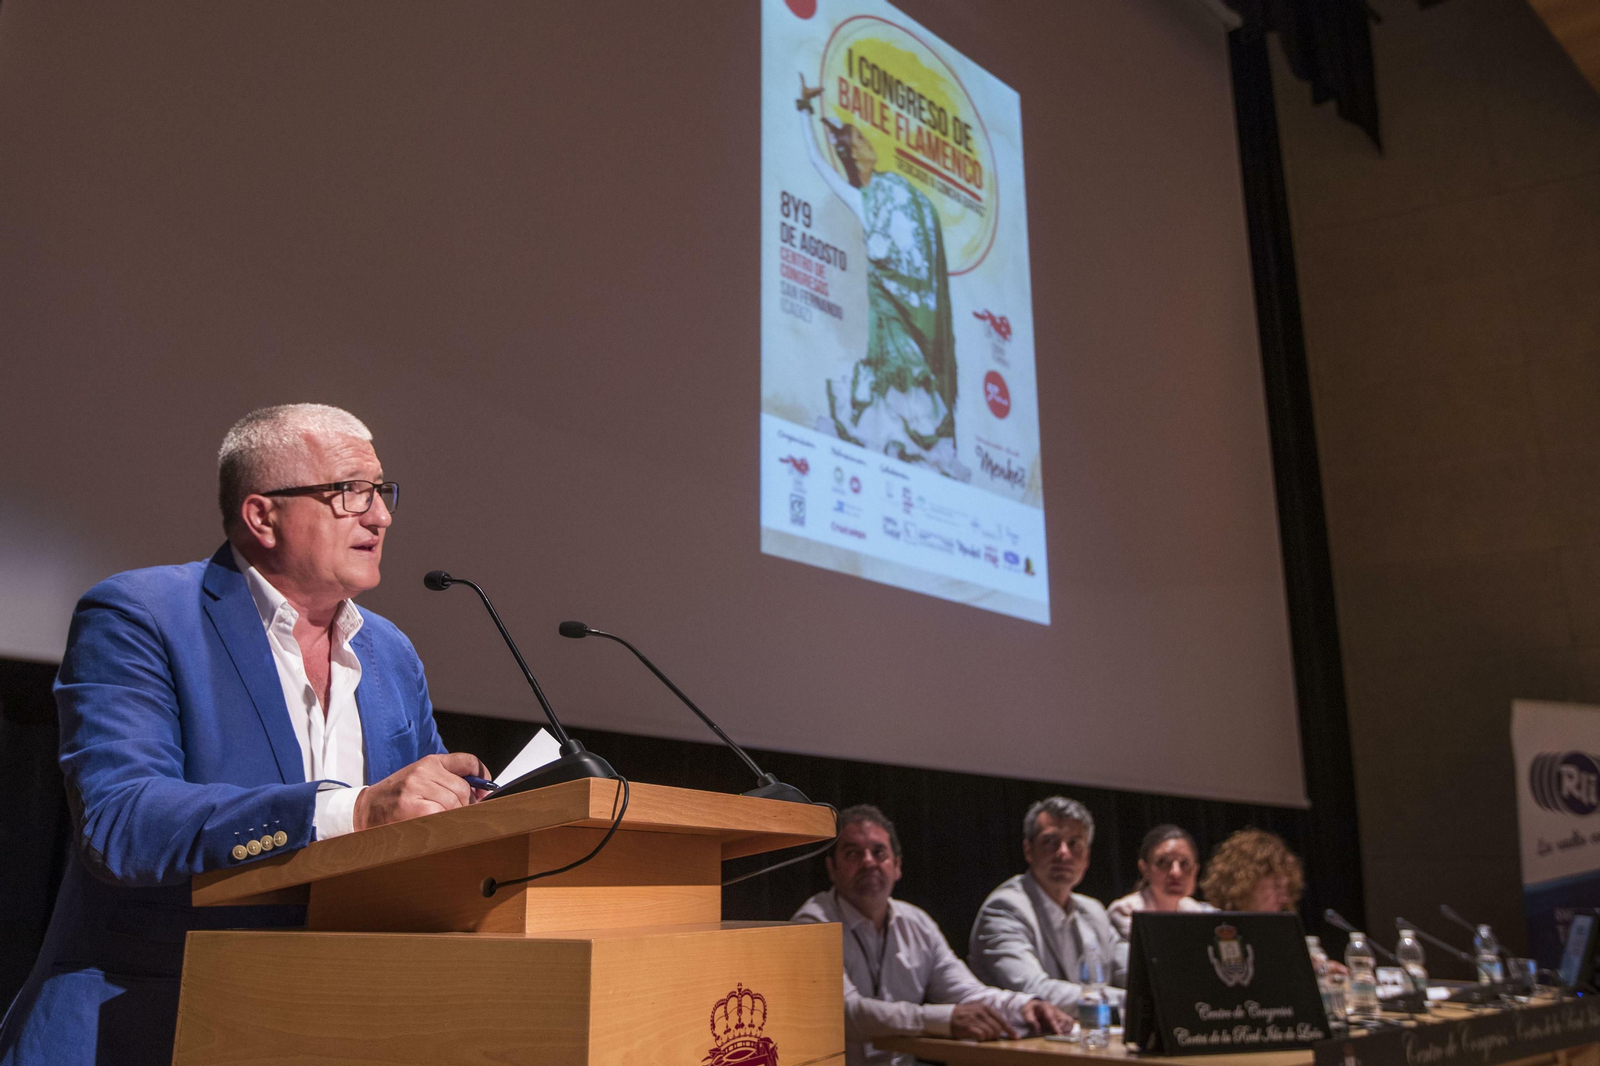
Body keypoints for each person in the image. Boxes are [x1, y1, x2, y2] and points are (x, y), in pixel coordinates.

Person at [0, 404, 492, 1066]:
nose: (380, 516)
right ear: (263, 516)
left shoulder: (391, 652)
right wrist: (352, 808)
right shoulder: (141, 616)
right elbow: (119, 821)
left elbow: (410, 839)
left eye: (381, 492)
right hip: (142, 1024)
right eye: (351, 492)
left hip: (327, 1028)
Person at [792, 805, 1067, 1066]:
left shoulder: (917, 922)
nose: (868, 862)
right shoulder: (813, 922)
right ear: (832, 869)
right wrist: (943, 1019)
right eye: (853, 854)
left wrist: (1026, 1006)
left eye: (879, 852)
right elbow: (846, 1014)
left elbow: (966, 994)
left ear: (897, 866)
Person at [795, 77, 966, 482]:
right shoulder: (863, 200)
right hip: (889, 322)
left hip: (917, 320)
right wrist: (805, 111)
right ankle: (889, 460)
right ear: (850, 161)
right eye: (848, 147)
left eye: (857, 139)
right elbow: (818, 162)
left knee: (915, 387)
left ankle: (913, 464)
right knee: (896, 385)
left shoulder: (900, 191)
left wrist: (832, 118)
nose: (857, 146)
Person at [967, 797, 1126, 1011]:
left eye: (1074, 843)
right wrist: (1132, 1002)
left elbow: (1130, 972)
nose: (1063, 853)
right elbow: (1033, 989)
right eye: (1050, 841)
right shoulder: (1005, 908)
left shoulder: (1094, 910)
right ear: (1028, 850)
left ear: (1087, 857)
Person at [1106, 824, 1215, 939]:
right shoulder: (1126, 911)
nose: (1176, 872)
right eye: (1163, 862)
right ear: (1144, 869)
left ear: (1195, 871)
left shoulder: (1197, 912)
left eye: (1185, 864)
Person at [1199, 828, 1305, 912]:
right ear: (1244, 884)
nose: (1284, 900)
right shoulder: (1204, 919)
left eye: (1287, 890)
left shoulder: (1283, 932)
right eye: (1277, 887)